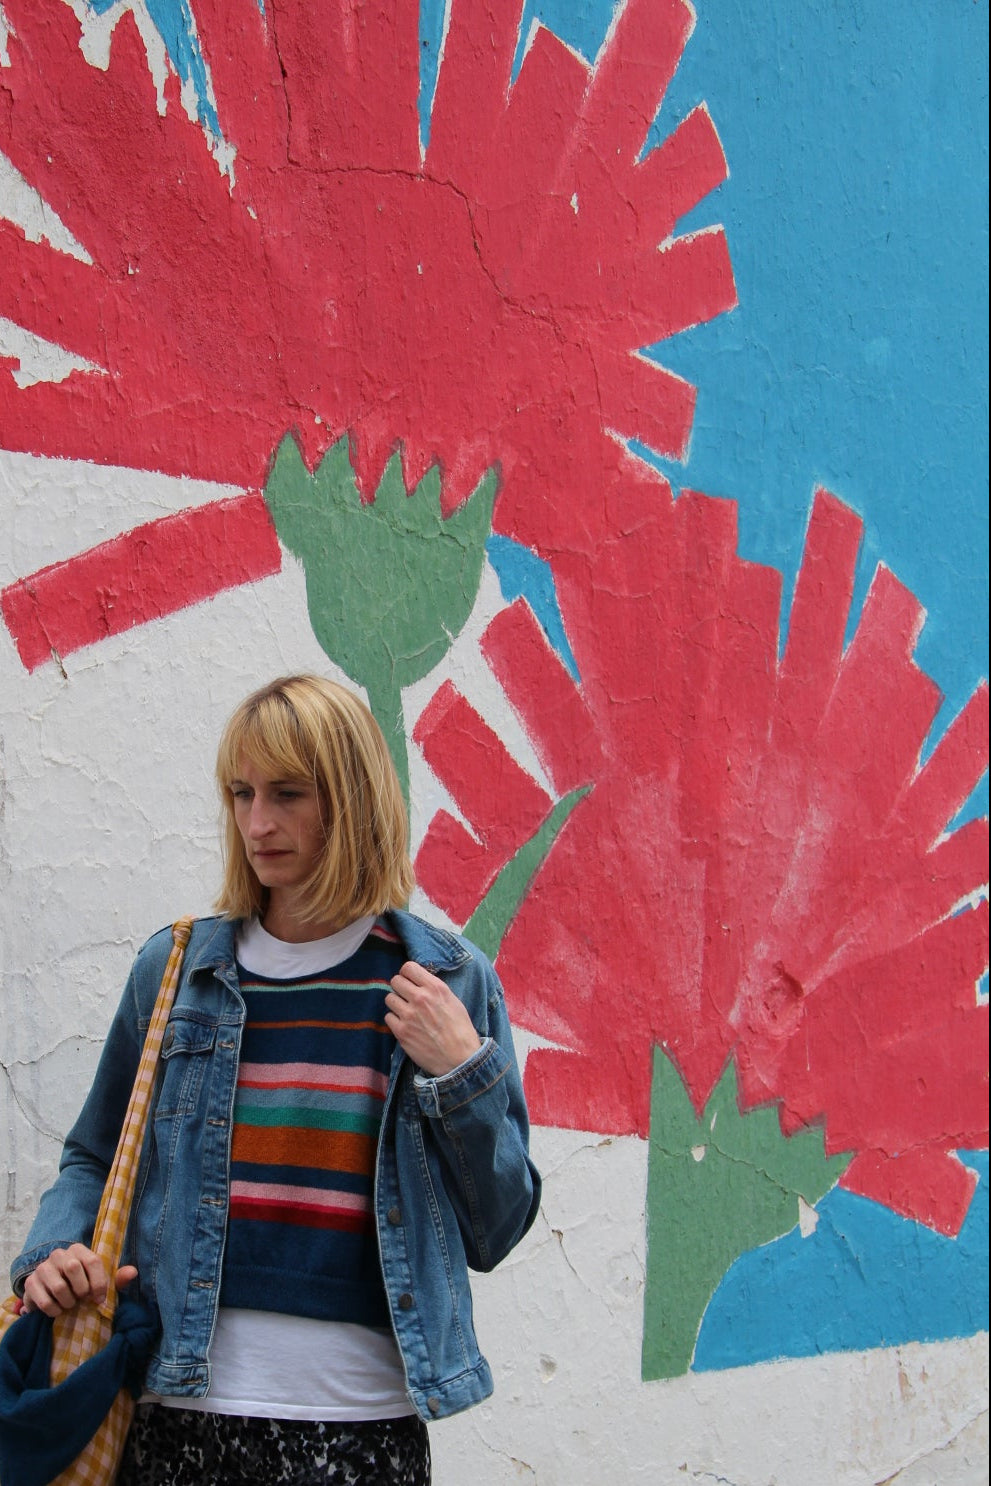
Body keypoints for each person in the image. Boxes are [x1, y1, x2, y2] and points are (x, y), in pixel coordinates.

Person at [10, 675, 540, 1485]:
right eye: (241, 793)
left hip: (362, 1429)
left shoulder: (443, 981)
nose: (257, 823)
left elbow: (496, 1230)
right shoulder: (180, 970)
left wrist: (462, 1070)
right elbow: (92, 1156)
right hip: (179, 1418)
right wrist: (51, 1252)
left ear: (352, 799)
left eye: (288, 794)